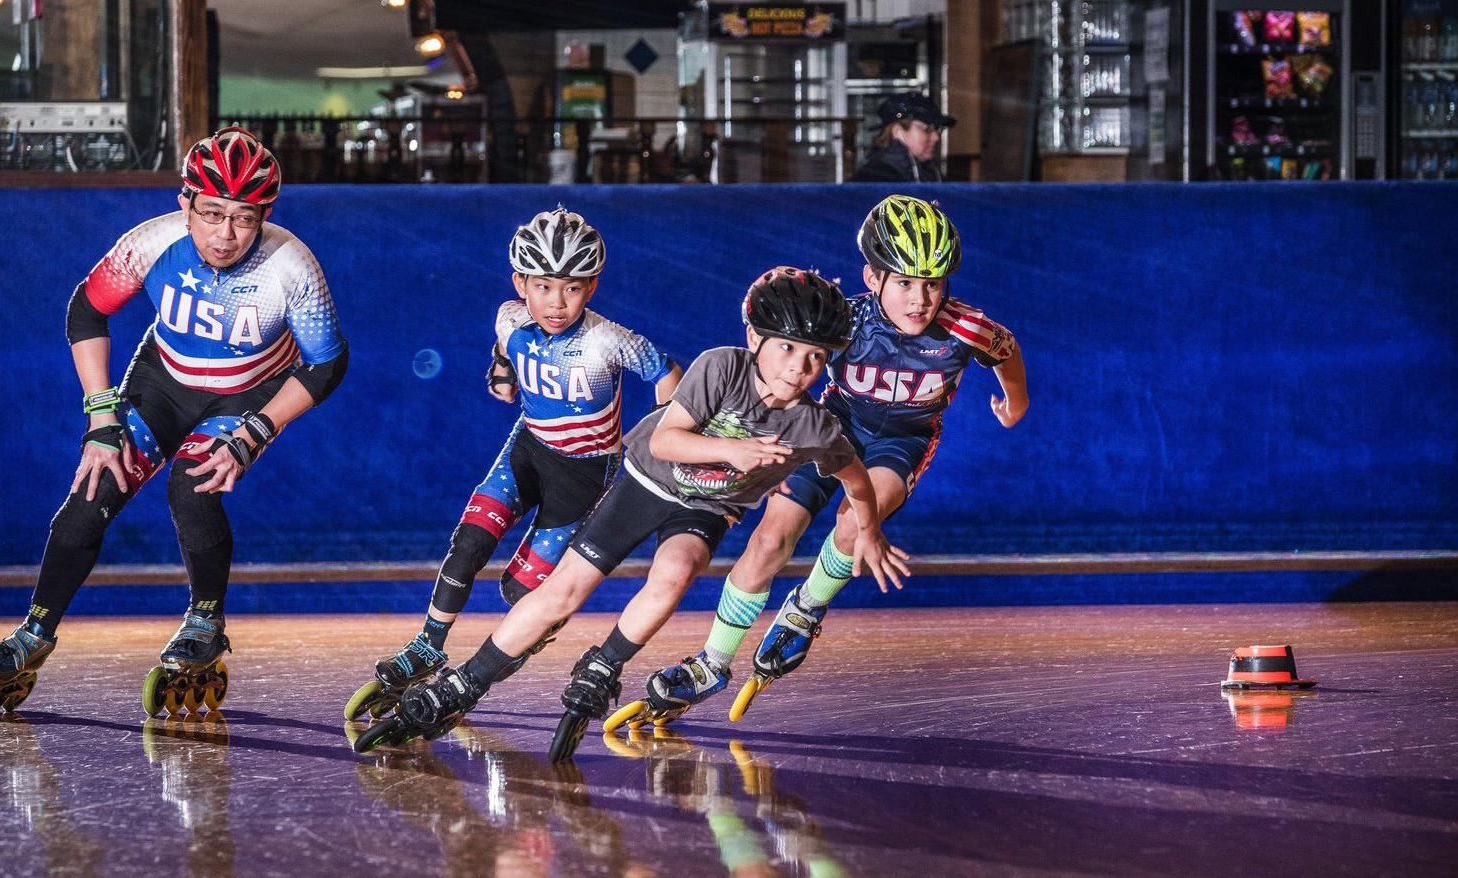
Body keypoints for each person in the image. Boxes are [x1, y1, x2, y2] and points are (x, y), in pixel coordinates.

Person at [351, 267, 910, 761]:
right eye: (787, 349)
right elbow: (668, 441)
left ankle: (605, 663)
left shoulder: (814, 426)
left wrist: (870, 530)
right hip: (645, 479)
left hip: (707, 507)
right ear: (753, 338)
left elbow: (856, 479)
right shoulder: (722, 367)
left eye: (816, 357)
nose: (800, 368)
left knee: (675, 575)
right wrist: (733, 450)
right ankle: (465, 683)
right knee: (563, 591)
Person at [0, 126, 348, 717]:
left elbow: (328, 363)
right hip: (161, 384)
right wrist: (99, 416)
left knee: (191, 489)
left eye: (244, 218)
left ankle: (205, 622)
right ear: (185, 204)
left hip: (244, 395)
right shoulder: (151, 242)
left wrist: (259, 430)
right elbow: (86, 309)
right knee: (93, 489)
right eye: (212, 213)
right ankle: (33, 635)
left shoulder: (291, 264)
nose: (225, 234)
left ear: (265, 215)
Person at [623, 194, 1029, 728]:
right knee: (769, 540)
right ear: (873, 276)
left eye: (933, 283)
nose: (920, 299)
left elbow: (1006, 351)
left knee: (854, 524)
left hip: (902, 442)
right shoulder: (851, 320)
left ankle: (806, 607)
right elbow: (779, 366)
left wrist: (1014, 405)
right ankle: (712, 661)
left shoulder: (966, 328)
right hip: (827, 430)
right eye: (904, 282)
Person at [344, 207, 682, 721]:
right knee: (470, 542)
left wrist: (664, 431)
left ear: (591, 288)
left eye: (571, 288)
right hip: (527, 448)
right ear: (520, 283)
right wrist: (502, 373)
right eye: (544, 287)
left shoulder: (606, 339)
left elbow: (666, 370)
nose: (556, 302)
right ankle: (429, 644)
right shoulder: (510, 316)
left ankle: (529, 632)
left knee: (519, 592)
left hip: (587, 474)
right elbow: (504, 346)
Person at [852, 93, 956, 183]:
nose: (936, 137)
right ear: (898, 132)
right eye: (926, 128)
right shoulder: (876, 178)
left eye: (937, 129)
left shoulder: (929, 172)